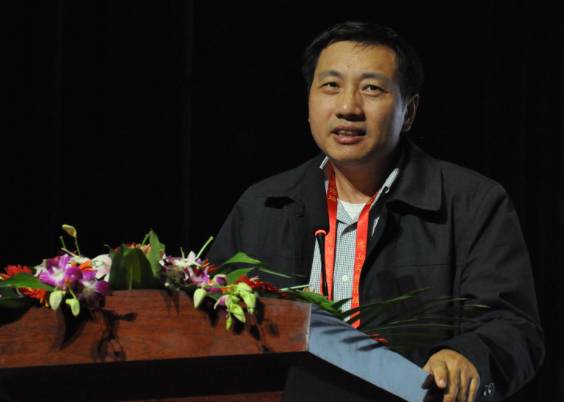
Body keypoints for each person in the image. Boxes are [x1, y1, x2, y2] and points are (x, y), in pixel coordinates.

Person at [208, 21, 544, 402]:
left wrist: (468, 357)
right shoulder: (262, 206)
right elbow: (212, 317)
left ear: (409, 111)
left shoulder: (472, 203)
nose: (348, 108)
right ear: (309, 101)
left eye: (371, 89)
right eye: (331, 86)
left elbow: (514, 328)